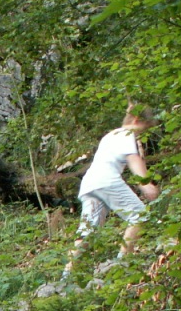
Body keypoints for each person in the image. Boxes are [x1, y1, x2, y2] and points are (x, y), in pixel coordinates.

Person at [62, 105, 160, 281]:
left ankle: (66, 275)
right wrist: (145, 184)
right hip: (107, 181)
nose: (142, 133)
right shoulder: (126, 135)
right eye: (144, 128)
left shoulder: (110, 136)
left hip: (90, 183)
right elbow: (133, 159)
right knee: (141, 216)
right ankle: (122, 264)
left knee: (87, 231)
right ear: (136, 121)